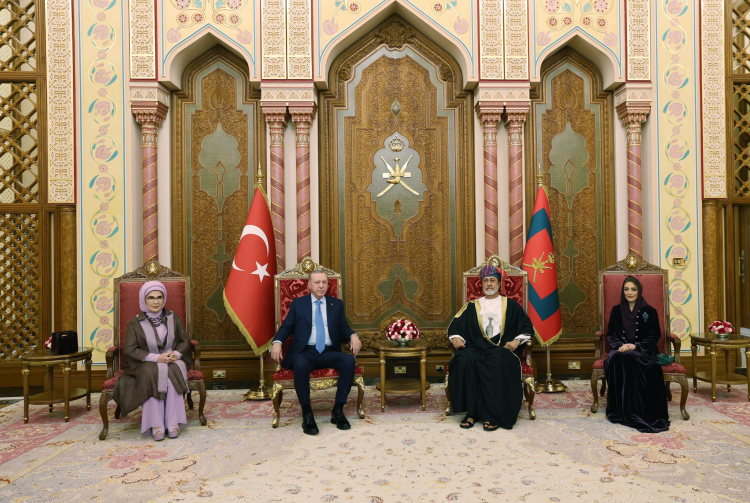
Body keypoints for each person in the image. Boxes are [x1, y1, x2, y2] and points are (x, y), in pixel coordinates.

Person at [270, 270, 362, 435]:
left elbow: (344, 327)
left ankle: (338, 410)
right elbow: (287, 327)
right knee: (300, 363)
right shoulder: (299, 304)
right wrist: (277, 342)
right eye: (317, 282)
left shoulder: (336, 304)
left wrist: (353, 335)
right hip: (306, 351)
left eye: (324, 282)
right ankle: (307, 414)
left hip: (328, 351)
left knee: (348, 361)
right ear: (309, 285)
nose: (321, 286)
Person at [447, 265, 534, 431]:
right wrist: (457, 337)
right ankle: (471, 412)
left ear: (499, 284)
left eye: (492, 280)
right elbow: (455, 327)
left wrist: (516, 341)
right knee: (463, 360)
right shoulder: (472, 305)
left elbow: (527, 327)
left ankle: (492, 414)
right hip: (475, 347)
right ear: (481, 284)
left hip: (501, 348)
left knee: (498, 359)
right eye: (485, 281)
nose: (489, 284)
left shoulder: (511, 305)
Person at [113, 281, 191, 441]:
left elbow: (185, 340)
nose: (155, 301)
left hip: (170, 360)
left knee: (174, 369)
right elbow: (130, 349)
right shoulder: (135, 322)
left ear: (164, 298)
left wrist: (176, 354)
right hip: (144, 363)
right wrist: (156, 358)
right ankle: (156, 423)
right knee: (152, 372)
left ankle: (173, 421)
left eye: (159, 297)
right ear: (144, 299)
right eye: (151, 298)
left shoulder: (173, 317)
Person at [604, 276, 670, 433]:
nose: (630, 292)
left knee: (636, 359)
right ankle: (622, 409)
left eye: (633, 289)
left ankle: (639, 410)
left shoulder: (650, 311)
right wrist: (620, 346)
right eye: (626, 289)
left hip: (644, 350)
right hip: (620, 349)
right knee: (618, 359)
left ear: (639, 290)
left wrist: (636, 346)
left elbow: (654, 335)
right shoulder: (616, 310)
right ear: (623, 291)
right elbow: (611, 333)